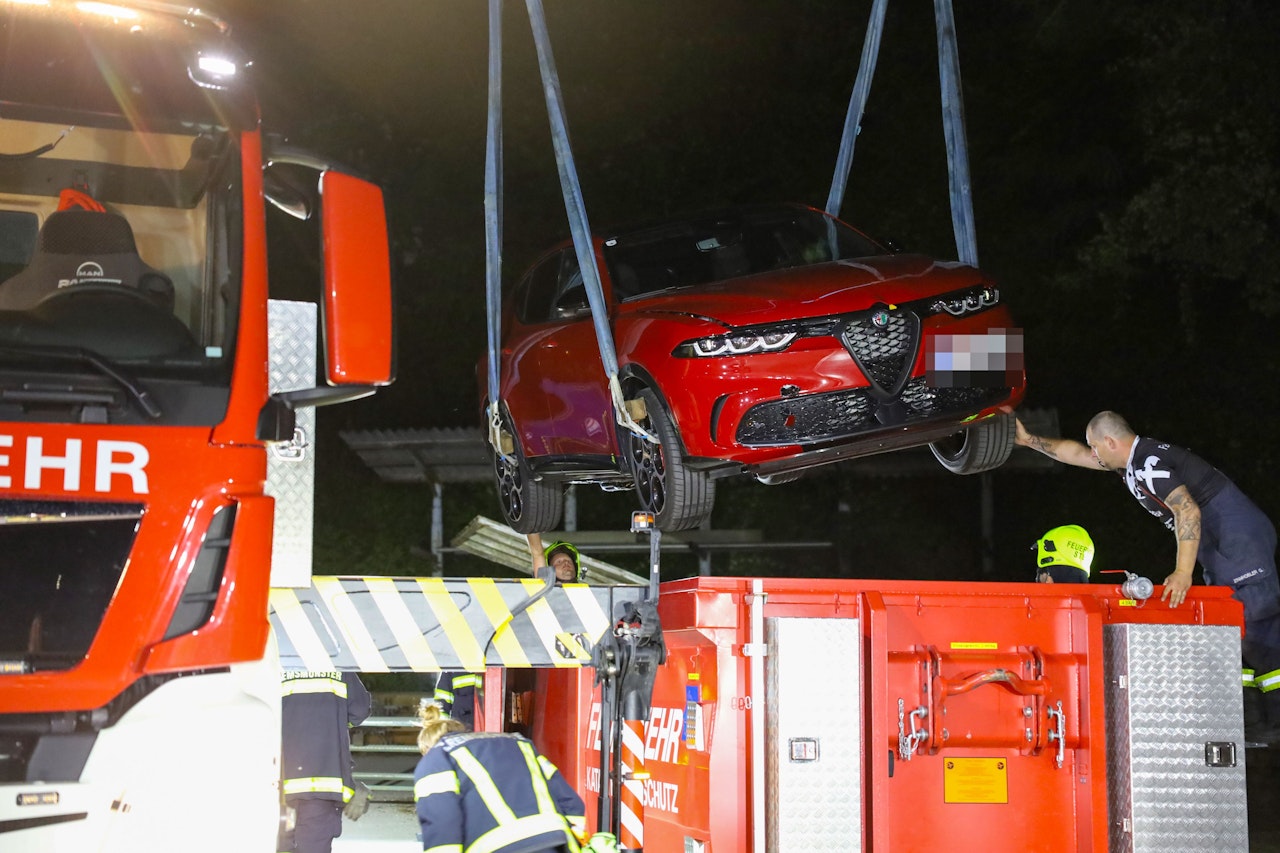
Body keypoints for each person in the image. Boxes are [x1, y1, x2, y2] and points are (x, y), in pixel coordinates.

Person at [1014, 410, 1280, 740]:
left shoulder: (1148, 462)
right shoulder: (1130, 463)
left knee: (1257, 629)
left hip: (1240, 544)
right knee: (1233, 633)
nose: (1093, 454)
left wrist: (1183, 572)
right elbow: (1076, 454)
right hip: (1222, 549)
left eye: (1096, 447)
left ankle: (1272, 723)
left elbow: (1187, 509)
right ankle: (1256, 726)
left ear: (1110, 442)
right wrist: (1028, 441)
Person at [413, 703, 590, 853]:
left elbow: (442, 825)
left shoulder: (436, 759)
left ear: (427, 747)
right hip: (555, 841)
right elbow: (572, 803)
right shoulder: (518, 743)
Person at [279, 670, 372, 853]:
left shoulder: (276, 662)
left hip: (281, 784)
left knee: (281, 843)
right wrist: (333, 721)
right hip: (323, 786)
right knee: (313, 846)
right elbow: (359, 711)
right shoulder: (337, 665)